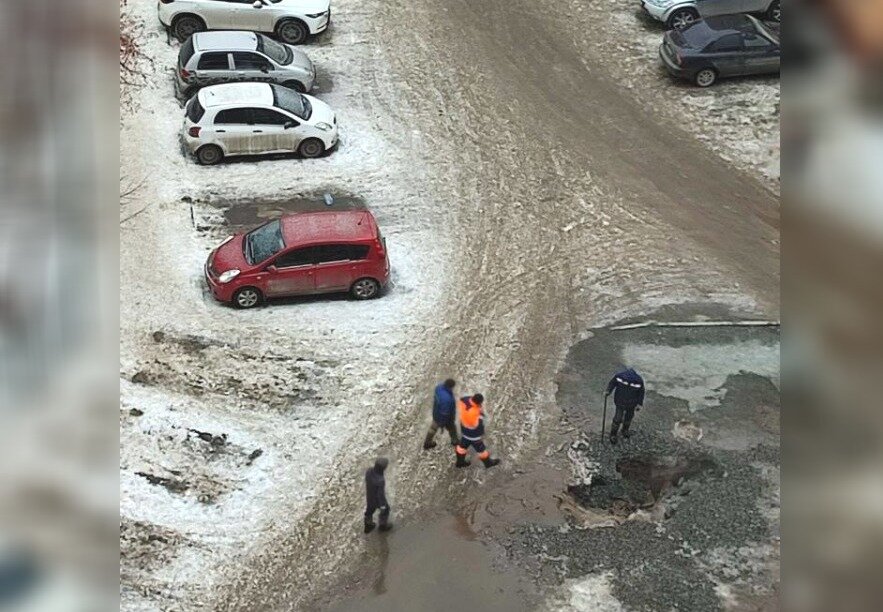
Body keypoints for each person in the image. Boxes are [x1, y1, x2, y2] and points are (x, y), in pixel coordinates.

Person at [454, 393, 500, 469]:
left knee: (462, 447)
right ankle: (488, 463)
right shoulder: (476, 413)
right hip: (473, 436)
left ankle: (460, 462)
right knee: (481, 450)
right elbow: (478, 428)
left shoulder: (464, 400)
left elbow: (462, 399)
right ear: (479, 403)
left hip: (464, 430)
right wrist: (481, 434)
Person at [605, 367, 645, 444]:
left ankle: (625, 430)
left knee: (628, 417)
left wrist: (639, 404)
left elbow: (641, 393)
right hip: (620, 402)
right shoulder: (620, 377)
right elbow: (612, 383)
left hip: (631, 404)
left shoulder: (638, 381)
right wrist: (608, 391)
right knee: (618, 418)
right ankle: (613, 434)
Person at [423, 378, 459, 450]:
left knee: (433, 428)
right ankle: (455, 441)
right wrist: (442, 424)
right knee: (452, 428)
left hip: (436, 413)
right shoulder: (447, 399)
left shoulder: (439, 388)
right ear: (450, 387)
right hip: (446, 418)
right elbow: (445, 413)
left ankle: (427, 442)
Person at [364, 457, 393, 533]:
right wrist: (383, 506)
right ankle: (383, 525)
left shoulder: (369, 471)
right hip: (377, 500)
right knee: (386, 510)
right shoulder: (380, 480)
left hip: (369, 496)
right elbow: (380, 495)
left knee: (369, 510)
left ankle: (368, 524)